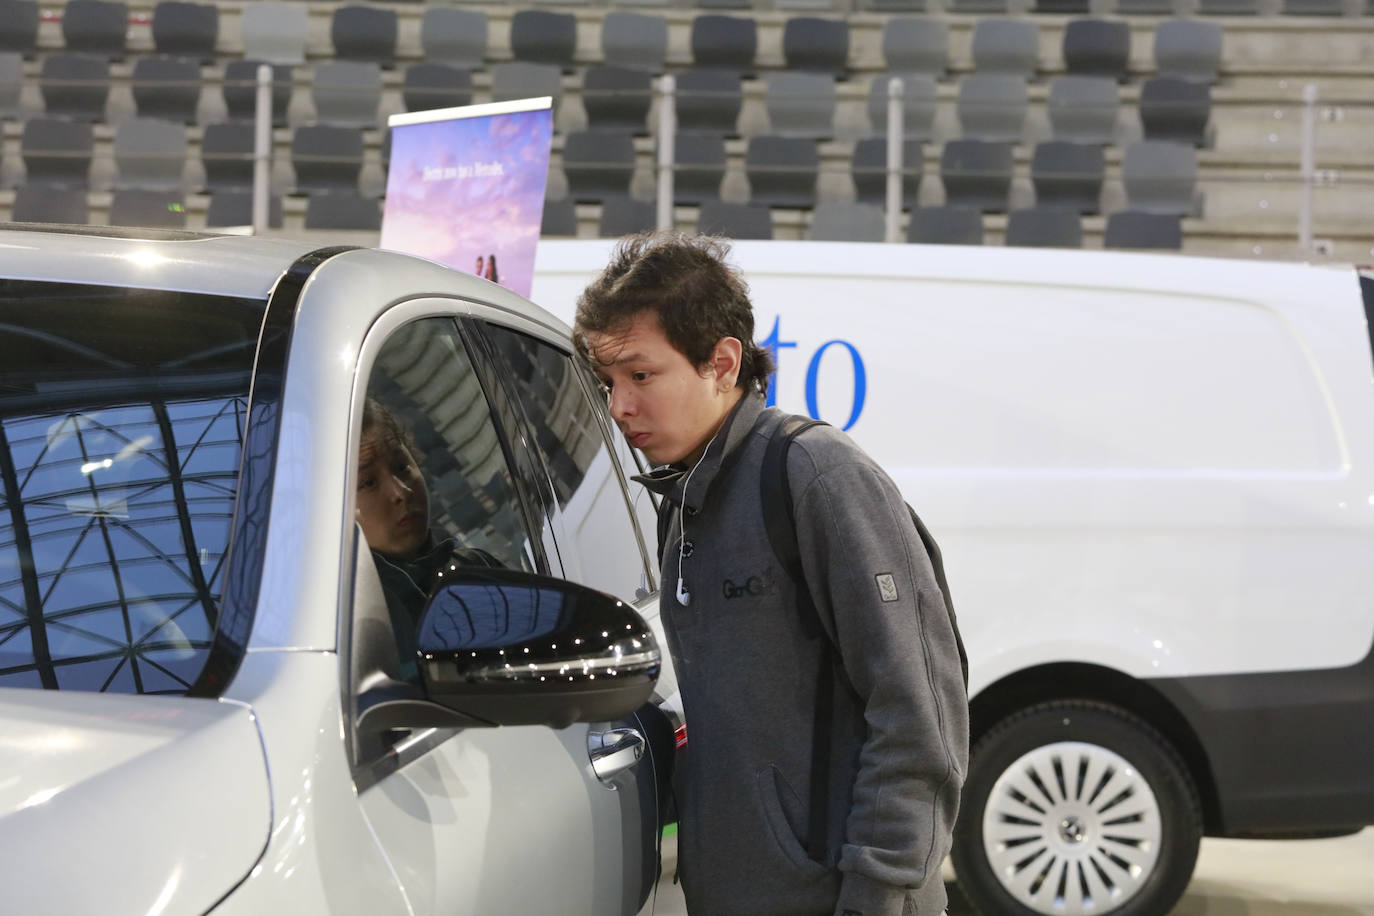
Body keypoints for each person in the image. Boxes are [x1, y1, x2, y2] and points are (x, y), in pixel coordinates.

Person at [573, 232, 968, 916]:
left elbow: (919, 711)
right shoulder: (686, 500)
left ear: (722, 363)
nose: (618, 407)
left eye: (640, 375)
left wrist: (879, 890)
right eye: (609, 382)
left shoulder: (815, 478)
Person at [356, 397, 499, 681]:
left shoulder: (480, 571)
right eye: (368, 482)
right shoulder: (347, 620)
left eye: (401, 467)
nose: (400, 493)